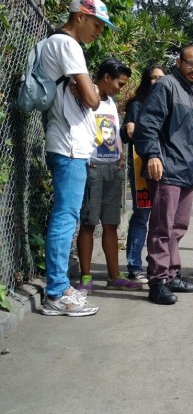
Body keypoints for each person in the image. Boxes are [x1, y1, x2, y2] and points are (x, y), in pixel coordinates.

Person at [40, 0, 116, 317]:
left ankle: (60, 287)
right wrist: (89, 91)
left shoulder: (48, 44)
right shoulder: (68, 45)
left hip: (67, 143)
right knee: (65, 218)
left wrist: (87, 89)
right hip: (69, 145)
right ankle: (56, 293)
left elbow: (87, 93)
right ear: (80, 16)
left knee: (66, 216)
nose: (98, 31)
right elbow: (93, 98)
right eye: (97, 24)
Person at [134, 46, 193, 305]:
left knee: (178, 227)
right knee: (161, 228)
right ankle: (158, 280)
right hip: (167, 169)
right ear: (179, 62)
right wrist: (153, 154)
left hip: (188, 172)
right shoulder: (166, 85)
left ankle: (172, 273)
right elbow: (148, 123)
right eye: (190, 63)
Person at [75, 58, 142, 293]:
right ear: (106, 77)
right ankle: (86, 277)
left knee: (111, 224)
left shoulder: (111, 102)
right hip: (93, 168)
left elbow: (114, 130)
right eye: (119, 83)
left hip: (114, 168)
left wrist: (120, 155)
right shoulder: (86, 96)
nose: (120, 89)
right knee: (88, 223)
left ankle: (114, 276)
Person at [121, 63, 166, 284]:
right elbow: (129, 131)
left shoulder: (169, 105)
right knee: (142, 216)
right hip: (142, 167)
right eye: (153, 78)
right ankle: (134, 266)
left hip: (165, 168)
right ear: (146, 80)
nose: (157, 82)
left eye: (161, 78)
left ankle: (156, 267)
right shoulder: (138, 105)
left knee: (162, 219)